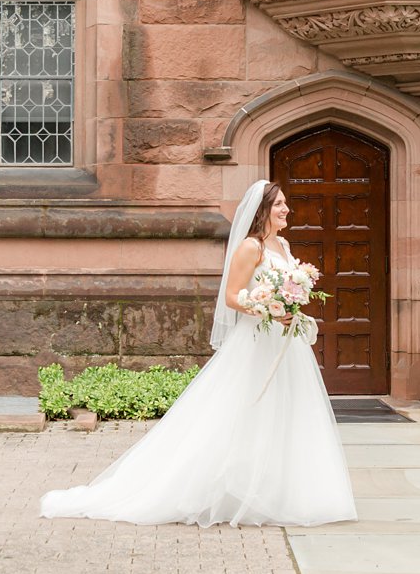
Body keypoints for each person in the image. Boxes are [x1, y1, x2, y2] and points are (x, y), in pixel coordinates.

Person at [40, 179, 357, 527]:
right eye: (279, 204)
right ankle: (221, 487)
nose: (286, 210)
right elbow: (232, 296)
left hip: (285, 344)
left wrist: (291, 304)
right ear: (263, 210)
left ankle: (285, 491)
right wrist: (266, 309)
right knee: (239, 412)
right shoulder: (251, 248)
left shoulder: (281, 244)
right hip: (256, 343)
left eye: (285, 204)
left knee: (290, 412)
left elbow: (289, 287)